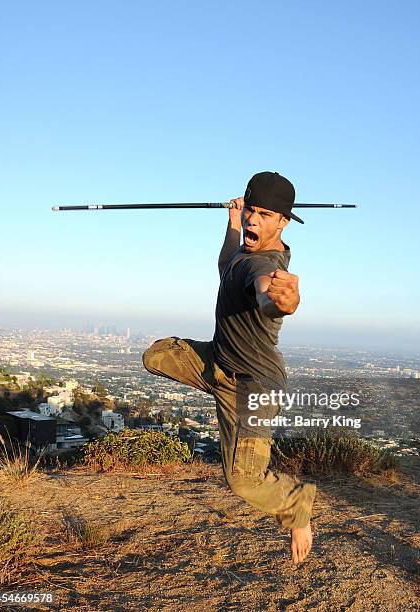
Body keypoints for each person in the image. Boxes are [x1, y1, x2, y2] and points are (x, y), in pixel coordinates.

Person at [143, 171, 316, 563]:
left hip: (254, 385)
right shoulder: (244, 253)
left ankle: (297, 504)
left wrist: (284, 302)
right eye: (251, 210)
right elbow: (226, 264)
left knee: (243, 481)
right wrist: (231, 223)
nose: (254, 220)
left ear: (283, 222)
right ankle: (212, 379)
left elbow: (268, 297)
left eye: (265, 215)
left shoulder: (267, 267)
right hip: (218, 361)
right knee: (154, 356)